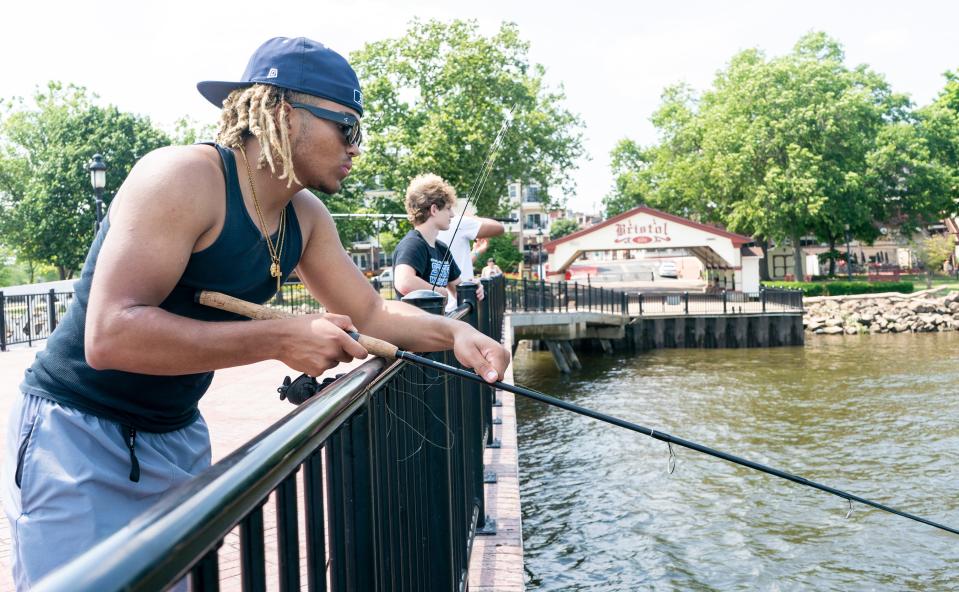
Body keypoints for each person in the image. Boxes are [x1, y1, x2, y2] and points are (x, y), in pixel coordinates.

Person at [1, 37, 509, 590]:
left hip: (177, 434)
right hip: (74, 431)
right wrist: (277, 340)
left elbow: (370, 312)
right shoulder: (181, 178)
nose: (357, 148)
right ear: (284, 114)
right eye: (348, 127)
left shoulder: (306, 217)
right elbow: (109, 336)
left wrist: (455, 332)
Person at [392, 174, 463, 304]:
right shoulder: (413, 244)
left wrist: (474, 289)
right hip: (414, 323)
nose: (452, 215)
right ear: (434, 209)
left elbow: (459, 289)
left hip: (434, 321)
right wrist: (439, 292)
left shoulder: (442, 249)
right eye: (448, 208)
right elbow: (404, 282)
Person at [436, 205, 504, 311]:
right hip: (458, 305)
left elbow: (455, 266)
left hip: (456, 304)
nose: (452, 214)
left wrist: (476, 252)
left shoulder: (438, 232)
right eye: (448, 208)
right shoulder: (459, 221)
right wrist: (471, 217)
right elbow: (499, 227)